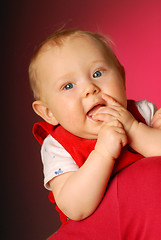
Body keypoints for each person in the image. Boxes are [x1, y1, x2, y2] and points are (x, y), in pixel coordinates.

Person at [29, 29, 161, 225]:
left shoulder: (144, 113)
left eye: (97, 73)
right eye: (68, 86)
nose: (89, 88)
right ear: (49, 112)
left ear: (122, 78)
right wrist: (102, 153)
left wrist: (133, 129)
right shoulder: (57, 146)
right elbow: (75, 207)